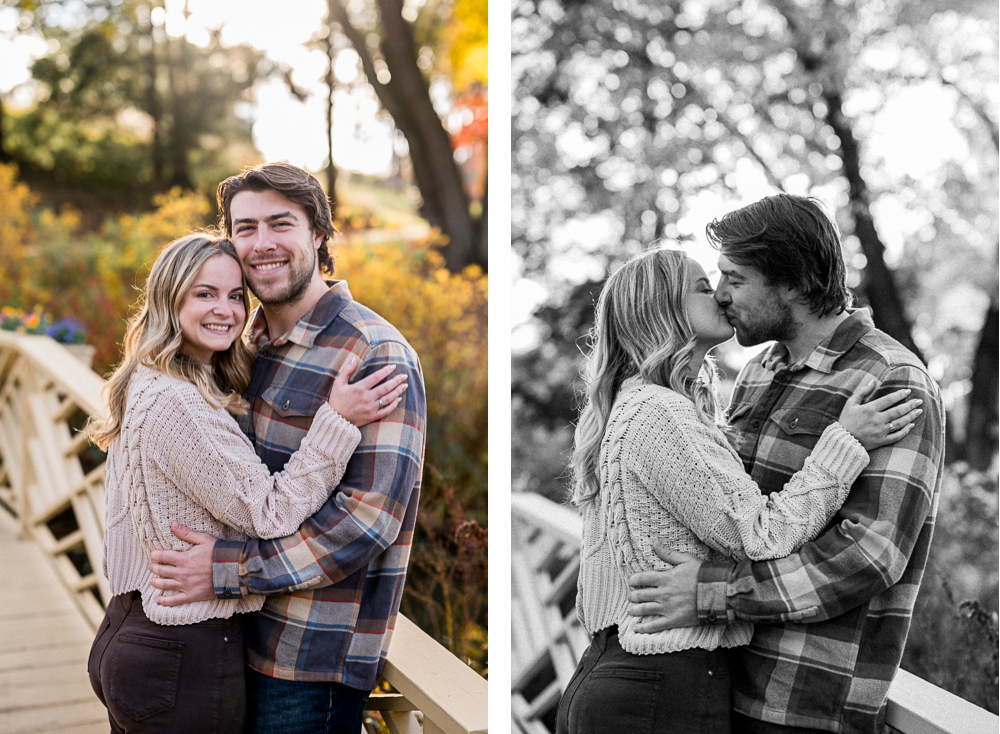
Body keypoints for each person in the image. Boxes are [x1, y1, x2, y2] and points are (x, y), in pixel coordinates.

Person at [554, 247, 923, 734]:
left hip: (623, 679)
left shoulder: (635, 405)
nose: (723, 297)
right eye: (705, 287)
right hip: (659, 688)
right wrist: (845, 441)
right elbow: (762, 534)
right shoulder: (660, 412)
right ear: (661, 308)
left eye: (728, 282)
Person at [626, 194, 945, 734]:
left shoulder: (891, 380)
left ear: (794, 283)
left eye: (735, 278)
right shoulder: (757, 372)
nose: (721, 296)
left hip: (801, 703)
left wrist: (710, 592)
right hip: (716, 679)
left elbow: (870, 554)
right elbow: (734, 516)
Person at [144, 162, 427, 734]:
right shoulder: (240, 342)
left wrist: (226, 571)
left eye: (281, 224)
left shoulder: (375, 353)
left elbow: (365, 524)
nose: (262, 244)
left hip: (303, 661)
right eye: (245, 229)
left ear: (318, 235)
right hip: (221, 637)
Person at [86, 234, 407, 734]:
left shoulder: (148, 380)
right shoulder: (179, 404)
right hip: (181, 653)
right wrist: (336, 421)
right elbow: (270, 512)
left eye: (237, 295)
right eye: (204, 293)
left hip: (129, 630)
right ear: (169, 300)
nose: (227, 310)